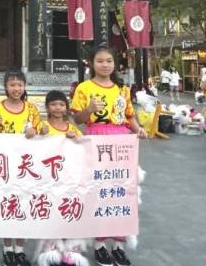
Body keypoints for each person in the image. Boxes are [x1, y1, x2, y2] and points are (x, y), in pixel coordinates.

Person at [71, 46, 147, 266]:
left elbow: (129, 117)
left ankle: (119, 245)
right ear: (91, 63)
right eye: (100, 61)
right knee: (100, 190)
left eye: (109, 61)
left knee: (122, 190)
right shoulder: (84, 88)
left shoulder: (122, 89)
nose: (105, 65)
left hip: (121, 142)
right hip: (96, 139)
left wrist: (139, 129)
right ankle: (100, 244)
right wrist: (89, 109)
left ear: (115, 64)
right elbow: (77, 119)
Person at [0, 71, 38, 266]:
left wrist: (36, 130)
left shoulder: (31, 109)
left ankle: (19, 249)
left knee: (23, 205)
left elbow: (40, 129)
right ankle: (7, 247)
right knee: (8, 205)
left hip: (25, 166)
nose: (16, 88)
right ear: (6, 87)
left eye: (19, 85)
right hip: (5, 167)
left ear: (25, 87)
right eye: (12, 85)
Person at [33, 90, 88, 266]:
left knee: (69, 211)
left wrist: (75, 138)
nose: (58, 108)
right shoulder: (42, 126)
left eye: (61, 104)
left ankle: (70, 251)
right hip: (49, 179)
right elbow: (32, 146)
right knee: (51, 213)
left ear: (66, 107)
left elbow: (83, 146)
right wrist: (40, 135)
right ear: (47, 107)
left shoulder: (71, 128)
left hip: (69, 179)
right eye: (53, 104)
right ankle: (50, 250)